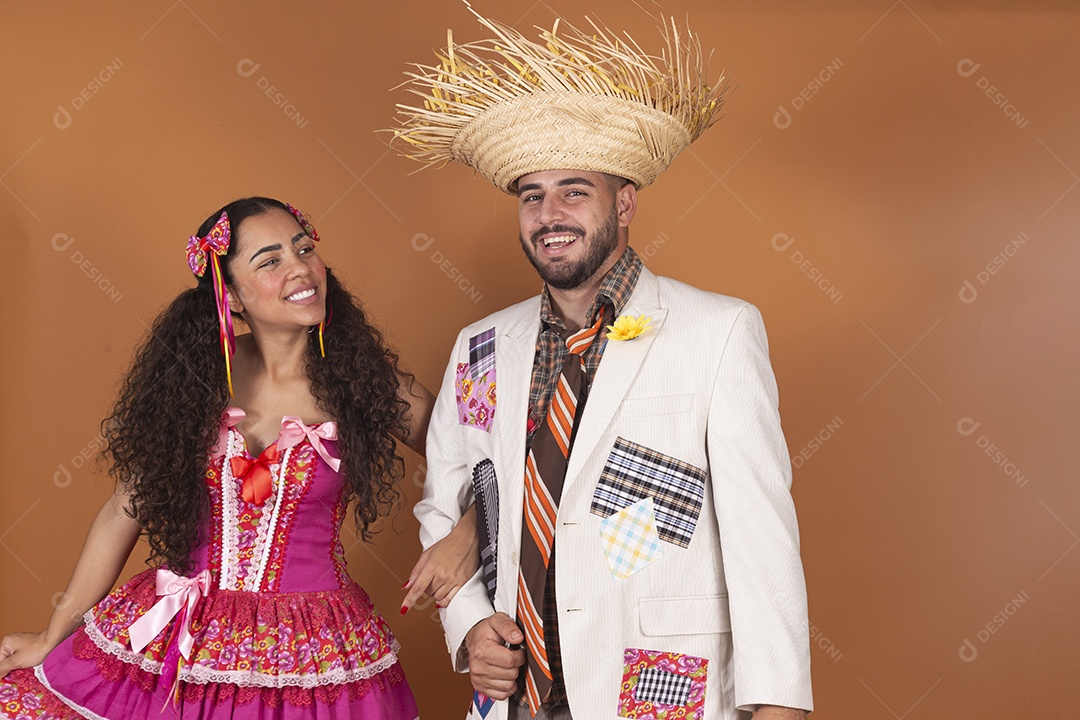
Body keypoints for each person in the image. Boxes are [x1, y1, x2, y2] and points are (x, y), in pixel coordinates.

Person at [394, 9, 814, 720]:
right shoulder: (482, 346)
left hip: (656, 685)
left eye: (573, 191)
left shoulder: (717, 331)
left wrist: (779, 704)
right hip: (520, 691)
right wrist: (467, 625)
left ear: (625, 204)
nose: (549, 213)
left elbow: (760, 535)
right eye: (532, 196)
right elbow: (449, 500)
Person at [0, 197, 477, 719]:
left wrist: (467, 534)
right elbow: (122, 510)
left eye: (304, 248)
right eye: (269, 260)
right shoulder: (196, 379)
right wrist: (52, 635)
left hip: (310, 646)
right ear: (231, 296)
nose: (300, 268)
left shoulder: (367, 380)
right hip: (179, 634)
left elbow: (489, 463)